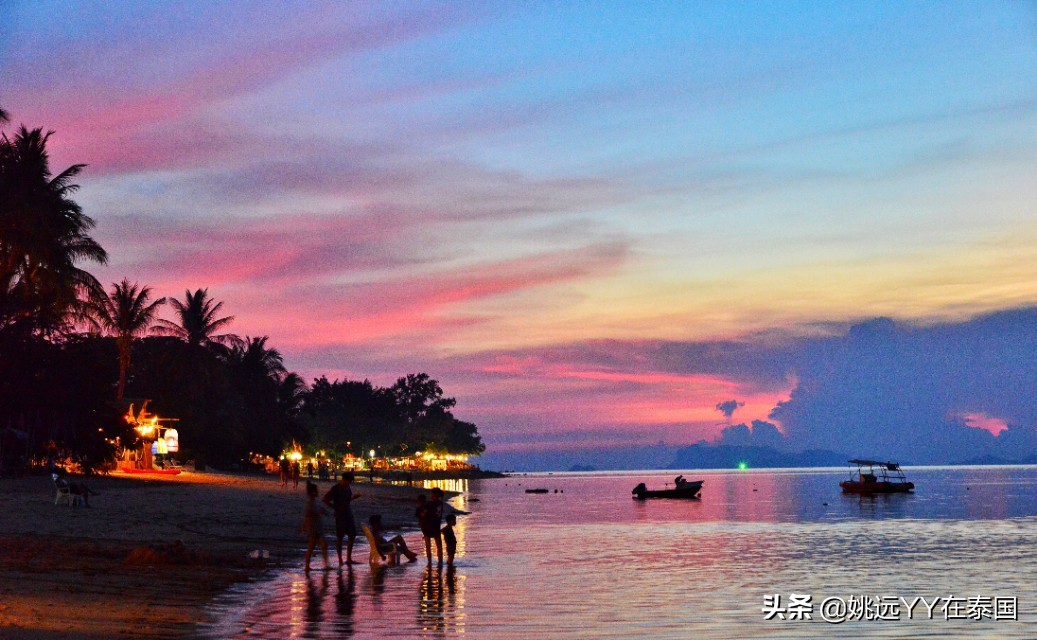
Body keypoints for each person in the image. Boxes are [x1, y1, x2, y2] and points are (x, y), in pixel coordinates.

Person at [323, 472, 361, 566]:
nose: (351, 483)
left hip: (348, 514)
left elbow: (346, 500)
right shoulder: (336, 488)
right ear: (345, 479)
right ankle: (340, 559)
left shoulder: (347, 488)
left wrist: (353, 498)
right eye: (350, 481)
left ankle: (348, 558)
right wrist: (335, 507)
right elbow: (325, 499)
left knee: (352, 534)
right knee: (340, 537)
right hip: (340, 516)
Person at [299, 482, 332, 572]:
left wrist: (323, 511)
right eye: (316, 491)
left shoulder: (313, 502)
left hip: (317, 528)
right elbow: (309, 515)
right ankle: (307, 566)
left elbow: (317, 511)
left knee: (324, 545)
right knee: (311, 547)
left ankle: (326, 565)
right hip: (313, 529)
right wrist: (303, 527)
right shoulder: (309, 503)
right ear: (312, 492)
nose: (317, 492)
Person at [419, 488, 445, 565]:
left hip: (428, 526)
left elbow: (423, 514)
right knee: (439, 547)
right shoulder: (440, 504)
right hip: (436, 526)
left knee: (428, 546)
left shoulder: (430, 504)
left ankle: (429, 562)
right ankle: (440, 562)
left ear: (436, 495)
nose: (431, 495)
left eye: (433, 494)